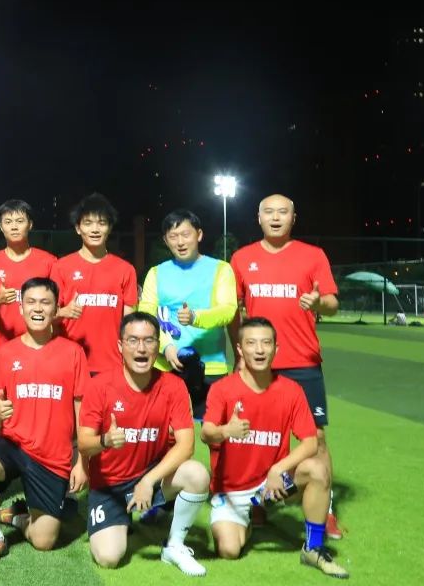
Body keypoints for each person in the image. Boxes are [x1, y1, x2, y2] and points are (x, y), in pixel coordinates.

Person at [228, 194, 343, 539]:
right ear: (258, 218)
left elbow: (333, 303)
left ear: (294, 218)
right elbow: (233, 311)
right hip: (258, 364)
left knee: (316, 437)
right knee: (253, 436)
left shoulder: (313, 255)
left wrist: (318, 302)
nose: (276, 217)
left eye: (283, 212)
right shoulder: (242, 258)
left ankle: (326, 510)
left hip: (303, 361)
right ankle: (256, 502)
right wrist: (239, 353)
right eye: (269, 212)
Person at [202, 317, 349, 578]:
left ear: (276, 348)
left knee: (317, 469)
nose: (259, 350)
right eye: (252, 343)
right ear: (239, 349)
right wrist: (226, 431)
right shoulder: (223, 389)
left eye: (266, 343)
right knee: (228, 550)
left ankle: (313, 548)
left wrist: (278, 469)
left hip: (272, 485)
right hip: (233, 492)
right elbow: (206, 433)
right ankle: (248, 518)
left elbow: (311, 441)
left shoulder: (291, 390)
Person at [0, 277, 90, 566]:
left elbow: (82, 413)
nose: (38, 308)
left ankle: (19, 518)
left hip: (52, 456)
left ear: (56, 309)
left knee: (44, 542)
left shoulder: (73, 353)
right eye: (31, 302)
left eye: (45, 303)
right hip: (13, 445)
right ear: (20, 307)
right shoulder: (5, 353)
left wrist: (82, 463)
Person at [78, 311, 211, 576]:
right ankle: (124, 517)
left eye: (149, 340)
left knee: (197, 474)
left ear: (157, 345)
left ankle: (174, 545)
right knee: (108, 557)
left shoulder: (173, 386)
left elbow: (186, 445)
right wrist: (105, 440)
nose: (141, 348)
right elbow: (83, 443)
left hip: (152, 475)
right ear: (120, 346)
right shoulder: (100, 385)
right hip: (110, 487)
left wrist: (148, 481)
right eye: (133, 340)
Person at [138, 208, 237, 420]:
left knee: (213, 432)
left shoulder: (221, 269)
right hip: (164, 366)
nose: (180, 242)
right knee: (163, 432)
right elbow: (146, 317)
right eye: (173, 236)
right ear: (165, 240)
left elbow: (228, 310)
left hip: (210, 366)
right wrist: (166, 347)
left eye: (185, 234)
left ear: (199, 235)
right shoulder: (156, 273)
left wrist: (195, 318)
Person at [0, 199, 58, 445]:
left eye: (20, 221)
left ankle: (39, 449)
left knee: (39, 401)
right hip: (2, 348)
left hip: (40, 347)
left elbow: (56, 306)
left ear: (30, 224)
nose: (14, 226)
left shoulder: (48, 262)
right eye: (8, 222)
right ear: (0, 227)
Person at [52, 193, 138, 374]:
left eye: (102, 223)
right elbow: (48, 317)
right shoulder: (61, 267)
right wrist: (64, 312)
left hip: (113, 365)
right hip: (70, 363)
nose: (95, 229)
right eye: (88, 223)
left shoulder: (125, 270)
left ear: (110, 227)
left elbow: (129, 324)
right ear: (78, 228)